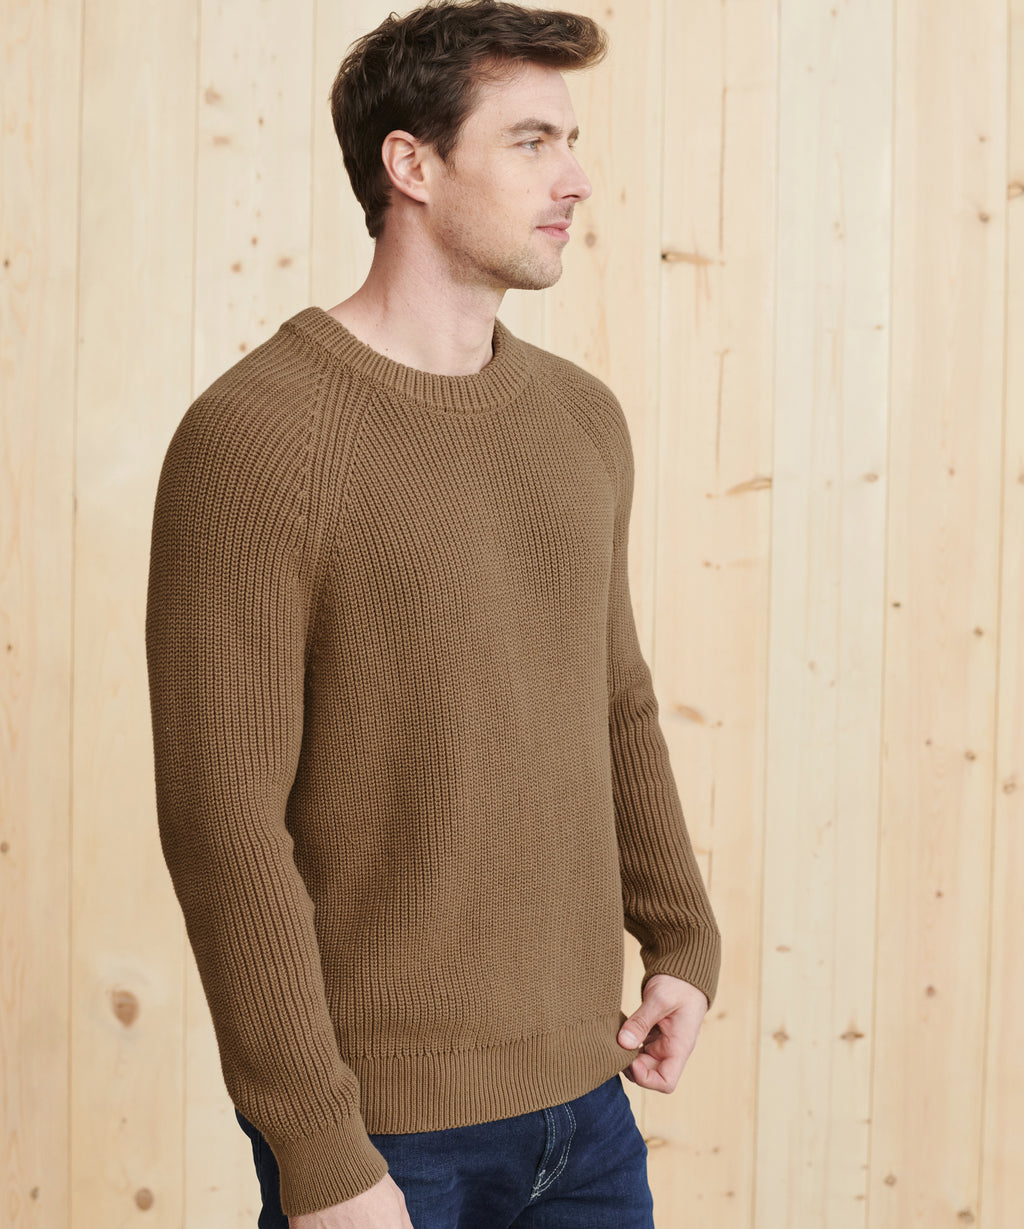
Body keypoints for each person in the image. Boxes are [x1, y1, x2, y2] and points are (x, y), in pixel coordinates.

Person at [144, 2, 721, 1226]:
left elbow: (612, 699)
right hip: (386, 1134)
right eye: (530, 141)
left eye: (569, 140)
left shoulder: (580, 420)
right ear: (410, 163)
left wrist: (680, 936)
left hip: (589, 1101)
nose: (574, 178)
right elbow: (222, 821)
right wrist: (319, 1146)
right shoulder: (255, 439)